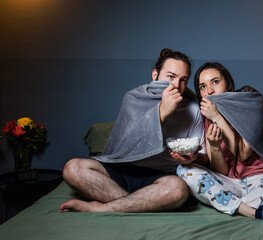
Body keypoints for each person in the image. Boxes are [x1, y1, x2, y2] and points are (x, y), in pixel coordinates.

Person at [59, 48, 207, 213]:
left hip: (160, 176)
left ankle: (104, 208)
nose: (176, 86)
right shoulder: (133, 98)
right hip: (122, 170)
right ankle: (137, 203)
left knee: (178, 190)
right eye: (170, 77)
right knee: (73, 168)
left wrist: (191, 158)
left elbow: (203, 156)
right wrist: (162, 112)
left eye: (183, 80)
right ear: (155, 75)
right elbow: (126, 141)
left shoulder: (193, 109)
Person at [177, 62, 263, 220]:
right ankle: (252, 211)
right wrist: (215, 148)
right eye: (202, 86)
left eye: (215, 82)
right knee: (184, 170)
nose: (209, 91)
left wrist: (217, 117)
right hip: (229, 183)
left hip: (260, 180)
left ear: (228, 85)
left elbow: (243, 153)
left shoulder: (250, 103)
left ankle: (227, 203)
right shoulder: (207, 116)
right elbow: (221, 172)